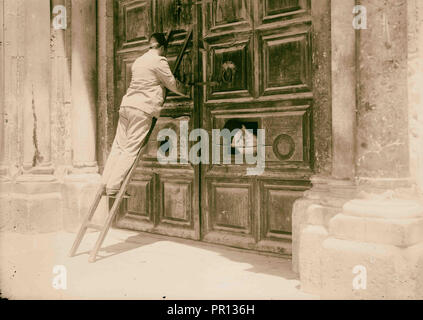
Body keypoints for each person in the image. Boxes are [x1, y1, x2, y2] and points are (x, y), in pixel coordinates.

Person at [101, 33, 190, 196]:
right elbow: (171, 84)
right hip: (142, 109)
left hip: (127, 105)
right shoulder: (159, 60)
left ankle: (105, 182)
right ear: (162, 48)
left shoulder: (139, 60)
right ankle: (113, 186)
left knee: (118, 146)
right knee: (131, 149)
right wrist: (186, 90)